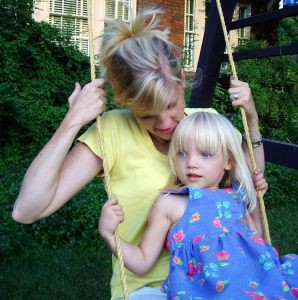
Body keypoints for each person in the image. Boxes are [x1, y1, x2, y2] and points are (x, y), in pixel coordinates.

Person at [12, 7, 267, 300]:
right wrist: (72, 121)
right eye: (146, 115)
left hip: (221, 279)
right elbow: (26, 210)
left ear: (182, 79)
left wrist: (251, 118)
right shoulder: (112, 131)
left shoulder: (204, 123)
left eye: (171, 106)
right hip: (148, 288)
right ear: (127, 104)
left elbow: (249, 182)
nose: (165, 124)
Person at [99, 112, 298, 299]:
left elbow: (257, 242)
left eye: (205, 154)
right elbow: (142, 261)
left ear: (228, 161)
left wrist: (254, 195)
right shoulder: (170, 204)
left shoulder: (235, 197)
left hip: (258, 282)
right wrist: (109, 234)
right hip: (206, 291)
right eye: (182, 153)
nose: (191, 163)